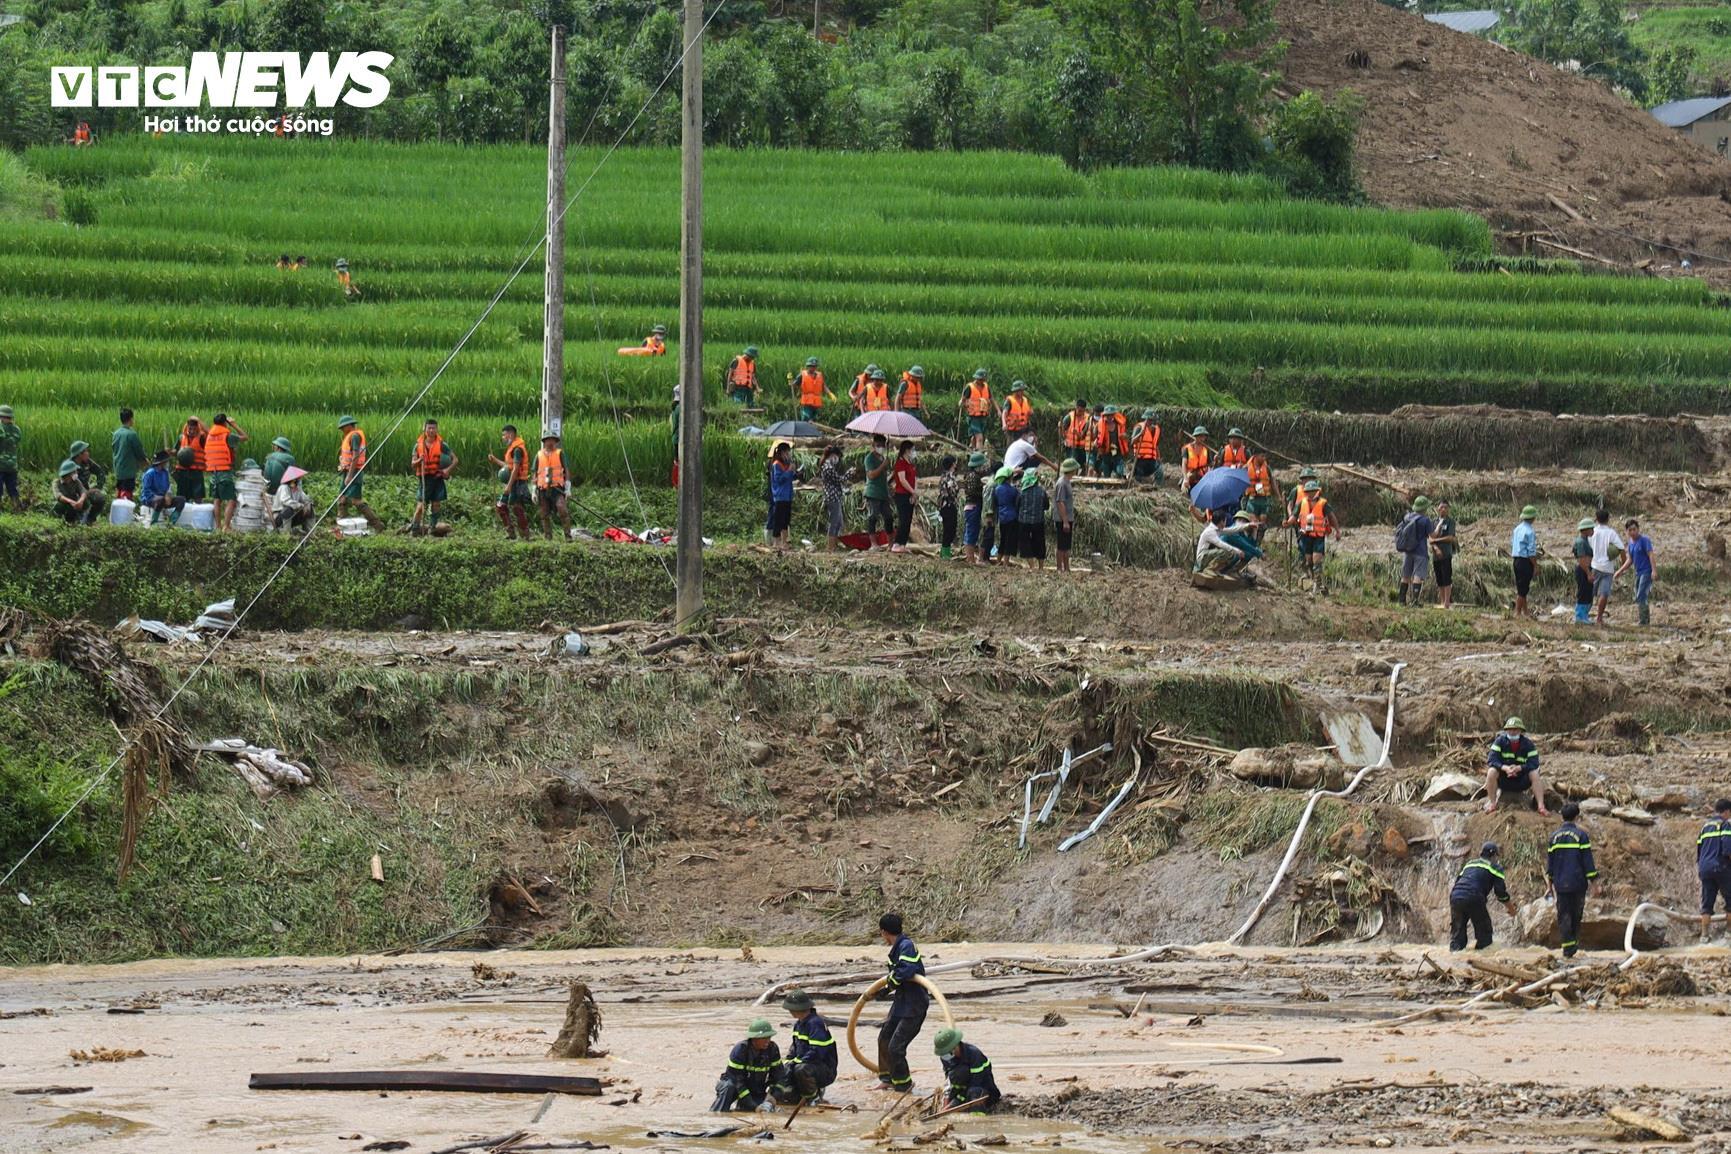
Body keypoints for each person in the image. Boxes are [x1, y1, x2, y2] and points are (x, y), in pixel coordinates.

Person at [877, 913, 927, 1093]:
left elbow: (907, 970)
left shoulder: (906, 946)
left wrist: (888, 985)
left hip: (914, 1005)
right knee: (884, 1038)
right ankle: (887, 1079)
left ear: (883, 932)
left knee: (895, 1047)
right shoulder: (897, 948)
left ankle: (904, 1084)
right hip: (901, 1002)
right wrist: (886, 989)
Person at [1546, 802, 1598, 959]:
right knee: (1576, 913)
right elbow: (1588, 862)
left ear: (1562, 817)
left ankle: (1568, 948)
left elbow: (1551, 865)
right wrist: (1595, 883)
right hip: (1577, 882)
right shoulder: (1581, 836)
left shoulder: (1553, 837)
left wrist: (1549, 885)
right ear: (1577, 817)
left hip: (1560, 883)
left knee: (1563, 915)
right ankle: (1571, 947)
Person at [772, 990, 838, 1105]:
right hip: (806, 1064)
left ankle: (814, 1097)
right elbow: (794, 1047)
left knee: (801, 1069)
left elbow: (817, 1052)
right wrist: (788, 1062)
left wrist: (796, 1062)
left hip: (823, 1069)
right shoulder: (798, 1025)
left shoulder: (815, 1023)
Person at [1448, 842, 1515, 952]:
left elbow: (1458, 882)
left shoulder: (1470, 864)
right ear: (1493, 856)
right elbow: (1500, 893)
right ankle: (1481, 958)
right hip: (1474, 897)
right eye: (1496, 857)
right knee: (1484, 933)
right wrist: (1511, 910)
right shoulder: (1495, 867)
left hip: (1456, 896)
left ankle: (1455, 958)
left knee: (1457, 933)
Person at [712, 1019, 779, 1112]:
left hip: (755, 1089)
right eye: (764, 1038)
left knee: (763, 1111)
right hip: (735, 1087)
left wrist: (772, 1097)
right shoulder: (740, 1050)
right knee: (728, 1087)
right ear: (754, 1038)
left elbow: (779, 1076)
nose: (768, 1041)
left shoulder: (772, 1048)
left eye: (769, 1037)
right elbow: (738, 1082)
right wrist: (753, 1106)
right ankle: (717, 1115)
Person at [1485, 716, 1547, 815]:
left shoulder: (1528, 744)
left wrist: (1520, 768)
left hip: (1521, 780)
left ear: (1520, 731)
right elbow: (1492, 760)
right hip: (1504, 779)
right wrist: (1505, 768)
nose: (1512, 732)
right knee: (1491, 771)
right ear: (1506, 731)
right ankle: (1492, 803)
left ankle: (1541, 806)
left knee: (1535, 773)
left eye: (1515, 730)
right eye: (1509, 730)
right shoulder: (1499, 742)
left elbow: (1534, 763)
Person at [1288, 479, 1338, 593]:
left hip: (1318, 536)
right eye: (1308, 491)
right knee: (1309, 560)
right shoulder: (1302, 503)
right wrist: (1288, 523)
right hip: (1306, 536)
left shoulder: (1323, 504)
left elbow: (1332, 517)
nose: (1310, 493)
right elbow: (1294, 516)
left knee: (1316, 560)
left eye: (1312, 491)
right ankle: (1315, 581)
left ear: (1317, 491)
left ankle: (1317, 586)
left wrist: (1338, 531)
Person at [934, 1028, 1000, 1112]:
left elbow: (976, 1082)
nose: (946, 1057)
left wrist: (957, 1100)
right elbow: (949, 1080)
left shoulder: (974, 1055)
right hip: (960, 1090)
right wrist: (947, 1102)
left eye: (948, 1052)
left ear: (956, 1046)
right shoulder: (946, 1057)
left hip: (982, 1090)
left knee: (974, 1093)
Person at [335, 416, 383, 530]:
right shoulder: (349, 436)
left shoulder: (355, 436)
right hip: (347, 470)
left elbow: (356, 456)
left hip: (355, 472)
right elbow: (349, 455)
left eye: (343, 427)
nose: (342, 429)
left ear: (349, 426)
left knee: (356, 501)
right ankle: (342, 521)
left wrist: (350, 476)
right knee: (342, 498)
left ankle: (377, 524)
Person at [409, 419, 455, 536]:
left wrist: (447, 470)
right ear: (424, 429)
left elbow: (455, 460)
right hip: (424, 479)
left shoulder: (442, 445)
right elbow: (413, 464)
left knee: (436, 504)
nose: (431, 430)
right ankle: (414, 529)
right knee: (420, 506)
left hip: (437, 478)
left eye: (433, 428)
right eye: (428, 428)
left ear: (437, 430)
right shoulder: (417, 446)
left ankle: (432, 528)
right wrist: (420, 460)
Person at [203, 413, 248, 532]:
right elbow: (245, 437)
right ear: (224, 423)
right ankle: (226, 526)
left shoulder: (210, 435)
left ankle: (218, 527)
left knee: (217, 500)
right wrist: (234, 424)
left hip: (213, 473)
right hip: (224, 472)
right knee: (232, 500)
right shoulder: (227, 436)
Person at [489, 425, 533, 540]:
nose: (503, 438)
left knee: (517, 508)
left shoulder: (517, 449)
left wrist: (508, 486)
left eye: (504, 435)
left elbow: (516, 469)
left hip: (517, 484)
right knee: (501, 506)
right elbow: (508, 466)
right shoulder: (512, 448)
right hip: (513, 483)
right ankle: (511, 533)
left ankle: (525, 535)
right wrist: (495, 460)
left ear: (510, 434)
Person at [1697, 798, 1731, 944]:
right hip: (1720, 867)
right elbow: (1727, 849)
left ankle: (1704, 936)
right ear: (1727, 811)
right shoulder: (1725, 825)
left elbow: (1699, 851)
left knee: (1706, 904)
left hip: (1704, 868)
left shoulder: (1704, 827)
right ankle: (1729, 933)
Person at [1394, 496, 1434, 607]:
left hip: (1407, 550)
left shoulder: (1407, 517)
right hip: (1420, 552)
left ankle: (1401, 600)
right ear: (1425, 508)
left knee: (1405, 575)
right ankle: (1415, 601)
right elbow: (1432, 535)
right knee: (1418, 575)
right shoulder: (1426, 520)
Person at [535, 431, 573, 541]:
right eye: (548, 440)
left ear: (555, 442)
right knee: (544, 513)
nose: (550, 442)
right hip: (543, 488)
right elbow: (534, 472)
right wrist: (534, 489)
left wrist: (568, 487)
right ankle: (548, 537)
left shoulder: (560, 453)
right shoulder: (539, 455)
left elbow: (566, 469)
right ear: (545, 442)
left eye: (552, 440)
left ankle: (568, 536)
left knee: (562, 509)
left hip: (557, 488)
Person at [1588, 509, 1624, 625]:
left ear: (1596, 519)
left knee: (1590, 593)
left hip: (1594, 565)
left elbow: (1587, 548)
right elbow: (1621, 548)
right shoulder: (1611, 533)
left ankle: (1584, 615)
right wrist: (1623, 565)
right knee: (1604, 594)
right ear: (1608, 519)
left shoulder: (1592, 532)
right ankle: (1599, 618)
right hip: (1608, 568)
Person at [1616, 517, 1654, 626]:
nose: (1632, 532)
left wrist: (1654, 571)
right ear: (1627, 532)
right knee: (1638, 595)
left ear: (1638, 529)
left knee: (1641, 595)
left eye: (1634, 529)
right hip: (1638, 572)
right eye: (1630, 530)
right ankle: (1644, 619)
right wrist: (1620, 570)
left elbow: (1651, 555)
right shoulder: (1631, 543)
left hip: (1646, 572)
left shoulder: (1644, 540)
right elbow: (1630, 559)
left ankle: (1644, 621)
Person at [767, 440, 801, 552]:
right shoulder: (776, 464)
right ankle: (776, 542)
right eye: (787, 452)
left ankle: (784, 542)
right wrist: (789, 471)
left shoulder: (787, 464)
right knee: (778, 520)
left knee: (786, 520)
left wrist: (795, 472)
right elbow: (779, 479)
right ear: (781, 453)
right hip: (780, 496)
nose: (788, 455)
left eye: (789, 452)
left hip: (788, 496)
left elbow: (790, 478)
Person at [66, 440, 109, 522]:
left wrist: (98, 487)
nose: (88, 453)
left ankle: (90, 520)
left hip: (85, 492)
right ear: (79, 454)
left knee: (99, 497)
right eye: (86, 451)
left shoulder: (87, 462)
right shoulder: (69, 466)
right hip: (72, 494)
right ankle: (74, 520)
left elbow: (100, 472)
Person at [138, 450, 184, 526]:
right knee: (160, 500)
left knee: (181, 500)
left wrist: (168, 495)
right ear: (162, 463)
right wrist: (159, 497)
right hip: (150, 499)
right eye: (166, 462)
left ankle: (171, 523)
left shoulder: (165, 473)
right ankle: (154, 522)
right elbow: (146, 491)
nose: (167, 463)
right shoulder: (150, 473)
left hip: (162, 498)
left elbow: (167, 487)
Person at [110, 408, 147, 502]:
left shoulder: (116, 434)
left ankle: (117, 510)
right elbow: (139, 451)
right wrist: (144, 461)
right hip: (128, 470)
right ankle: (125, 512)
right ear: (131, 419)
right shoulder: (131, 434)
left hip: (118, 469)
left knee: (119, 490)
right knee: (127, 493)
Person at [1510, 505, 1540, 620]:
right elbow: (1531, 552)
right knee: (1523, 589)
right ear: (1532, 518)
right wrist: (1535, 566)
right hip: (1525, 561)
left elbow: (1513, 543)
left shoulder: (1517, 529)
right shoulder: (1530, 532)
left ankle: (1525, 611)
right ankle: (1517, 612)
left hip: (1516, 560)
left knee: (1522, 587)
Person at [863, 435, 892, 547]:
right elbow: (871, 475)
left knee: (888, 517)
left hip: (883, 493)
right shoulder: (869, 458)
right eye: (878, 445)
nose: (881, 448)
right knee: (873, 517)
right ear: (873, 445)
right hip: (873, 492)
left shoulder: (882, 458)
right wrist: (882, 466)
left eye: (883, 446)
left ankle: (890, 543)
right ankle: (873, 544)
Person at [819, 444, 848, 553]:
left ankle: (834, 546)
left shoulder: (828, 466)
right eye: (837, 456)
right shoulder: (828, 467)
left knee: (838, 522)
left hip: (835, 497)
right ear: (832, 455)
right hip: (832, 498)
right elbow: (839, 480)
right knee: (834, 522)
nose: (837, 459)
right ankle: (830, 547)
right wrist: (849, 473)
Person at [890, 440, 918, 555]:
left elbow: (914, 479)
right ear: (907, 450)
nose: (913, 452)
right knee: (903, 519)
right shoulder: (900, 463)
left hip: (910, 494)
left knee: (908, 520)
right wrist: (912, 491)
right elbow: (902, 480)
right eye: (912, 449)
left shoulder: (910, 463)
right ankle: (896, 543)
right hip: (902, 494)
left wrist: (914, 492)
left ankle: (903, 544)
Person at [1018, 467, 1049, 571]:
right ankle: (1041, 567)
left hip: (1024, 521)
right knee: (1040, 542)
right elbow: (1046, 506)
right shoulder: (1041, 491)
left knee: (1025, 543)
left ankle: (1031, 566)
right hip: (1038, 521)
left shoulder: (1022, 492)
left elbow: (1017, 506)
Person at [261, 435, 296, 521]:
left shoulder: (269, 456)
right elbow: (293, 479)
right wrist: (294, 490)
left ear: (278, 447)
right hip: (281, 490)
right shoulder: (290, 459)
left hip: (267, 491)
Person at [1430, 500, 1458, 610]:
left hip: (1446, 554)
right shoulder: (1434, 522)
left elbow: (1451, 537)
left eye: (1446, 507)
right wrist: (1436, 547)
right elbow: (1430, 538)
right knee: (1439, 578)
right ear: (1438, 508)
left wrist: (1437, 540)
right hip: (1436, 555)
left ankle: (1447, 602)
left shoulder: (1450, 522)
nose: (1443, 509)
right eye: (1441, 507)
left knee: (1447, 577)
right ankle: (1442, 601)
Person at [1243, 449, 1274, 543]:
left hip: (1263, 499)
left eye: (1265, 456)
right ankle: (1250, 542)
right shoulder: (1246, 467)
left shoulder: (1267, 468)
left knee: (1262, 524)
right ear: (1255, 456)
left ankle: (1258, 543)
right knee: (1253, 523)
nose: (1264, 458)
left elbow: (1273, 481)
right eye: (1262, 456)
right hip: (1252, 499)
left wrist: (1279, 496)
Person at [962, 452, 988, 565]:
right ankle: (970, 559)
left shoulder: (971, 475)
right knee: (971, 532)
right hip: (973, 506)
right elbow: (973, 492)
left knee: (972, 532)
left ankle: (970, 558)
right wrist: (983, 489)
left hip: (971, 507)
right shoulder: (973, 476)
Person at [1053, 458, 1078, 572]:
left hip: (1067, 518)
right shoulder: (1062, 483)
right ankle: (1060, 568)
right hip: (1063, 519)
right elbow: (1060, 502)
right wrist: (1065, 521)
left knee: (1066, 545)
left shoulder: (1067, 481)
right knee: (1061, 546)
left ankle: (1066, 568)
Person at [175, 416, 207, 503]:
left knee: (198, 496)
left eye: (194, 429)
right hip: (182, 472)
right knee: (182, 496)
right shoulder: (181, 437)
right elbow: (176, 451)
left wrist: (199, 420)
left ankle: (198, 513)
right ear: (187, 427)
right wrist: (170, 452)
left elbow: (209, 433)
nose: (192, 431)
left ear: (197, 428)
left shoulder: (202, 438)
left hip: (196, 472)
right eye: (190, 428)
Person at [53, 460, 96, 525]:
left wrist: (80, 501)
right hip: (65, 504)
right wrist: (71, 502)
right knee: (59, 506)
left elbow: (83, 491)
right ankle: (65, 520)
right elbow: (59, 496)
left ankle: (86, 519)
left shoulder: (76, 481)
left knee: (86, 501)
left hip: (76, 504)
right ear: (69, 473)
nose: (76, 473)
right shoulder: (57, 483)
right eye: (74, 471)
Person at [992, 466, 1020, 564]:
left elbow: (995, 503)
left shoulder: (997, 489)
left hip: (1002, 517)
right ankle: (1006, 562)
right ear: (1010, 477)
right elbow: (1017, 503)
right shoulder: (1014, 490)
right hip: (1012, 517)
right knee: (1009, 540)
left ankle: (999, 559)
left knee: (1003, 539)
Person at [959, 370, 993, 451]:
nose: (982, 381)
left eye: (983, 379)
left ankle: (972, 449)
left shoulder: (986, 387)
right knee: (980, 437)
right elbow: (962, 401)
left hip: (983, 416)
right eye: (980, 379)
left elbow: (991, 399)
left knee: (976, 436)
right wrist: (963, 405)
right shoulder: (969, 387)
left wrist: (997, 410)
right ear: (976, 378)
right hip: (973, 416)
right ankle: (979, 456)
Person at [272, 467, 313, 533]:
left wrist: (307, 504)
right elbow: (286, 501)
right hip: (280, 517)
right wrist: (300, 505)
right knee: (288, 509)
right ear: (293, 480)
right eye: (298, 479)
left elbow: (305, 499)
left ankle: (309, 532)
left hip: (293, 516)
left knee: (309, 507)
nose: (300, 480)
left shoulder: (298, 489)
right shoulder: (284, 487)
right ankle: (286, 533)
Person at [1570, 517, 1595, 625]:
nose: (1593, 531)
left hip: (1586, 569)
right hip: (1583, 570)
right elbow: (1581, 559)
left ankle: (1584, 615)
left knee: (1588, 592)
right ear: (1585, 530)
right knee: (1583, 592)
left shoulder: (1585, 541)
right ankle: (1580, 617)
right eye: (1591, 529)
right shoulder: (1581, 542)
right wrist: (1588, 573)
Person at [1093, 405, 1128, 479]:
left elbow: (1126, 436)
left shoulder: (1119, 424)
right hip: (1105, 451)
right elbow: (1095, 435)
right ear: (1105, 415)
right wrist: (1096, 441)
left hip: (1116, 449)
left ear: (1114, 415)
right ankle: (1107, 487)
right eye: (1107, 415)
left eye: (1111, 415)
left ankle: (1119, 484)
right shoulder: (1100, 424)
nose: (1109, 417)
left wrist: (1125, 436)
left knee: (1119, 471)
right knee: (1106, 472)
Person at [936, 455, 960, 560]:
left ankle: (944, 552)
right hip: (949, 506)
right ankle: (945, 554)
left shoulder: (943, 476)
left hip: (944, 506)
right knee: (950, 529)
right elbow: (952, 491)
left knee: (948, 528)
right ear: (952, 464)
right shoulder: (949, 477)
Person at [1130, 409, 1162, 486]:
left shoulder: (1156, 429)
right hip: (1140, 459)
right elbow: (1132, 442)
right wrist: (1140, 434)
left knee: (1160, 472)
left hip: (1152, 459)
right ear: (1146, 419)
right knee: (1138, 476)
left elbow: (1155, 445)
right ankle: (1137, 488)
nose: (1151, 422)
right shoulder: (1139, 427)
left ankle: (1157, 487)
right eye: (1150, 420)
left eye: (1153, 420)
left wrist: (1158, 457)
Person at [0, 405, 22, 511]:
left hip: (1, 465)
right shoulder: (16, 429)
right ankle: (16, 507)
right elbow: (16, 440)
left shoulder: (1, 429)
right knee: (12, 488)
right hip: (13, 465)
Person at [1059, 399, 1092, 469]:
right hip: (1071, 447)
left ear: (1084, 409)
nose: (1080, 412)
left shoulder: (1088, 418)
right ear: (1076, 407)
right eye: (1078, 410)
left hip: (1083, 447)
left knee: (1084, 466)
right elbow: (1062, 430)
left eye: (1082, 411)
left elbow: (1084, 434)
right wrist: (1063, 437)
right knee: (1073, 465)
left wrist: (1077, 433)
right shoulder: (1069, 417)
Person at [1180, 427, 1212, 493]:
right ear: (1196, 436)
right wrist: (1185, 478)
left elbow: (1210, 464)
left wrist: (1216, 460)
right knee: (1185, 490)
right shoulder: (1187, 448)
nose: (1202, 439)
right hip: (1190, 475)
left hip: (1202, 477)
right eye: (1200, 436)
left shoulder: (1206, 450)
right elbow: (1184, 464)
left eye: (1203, 437)